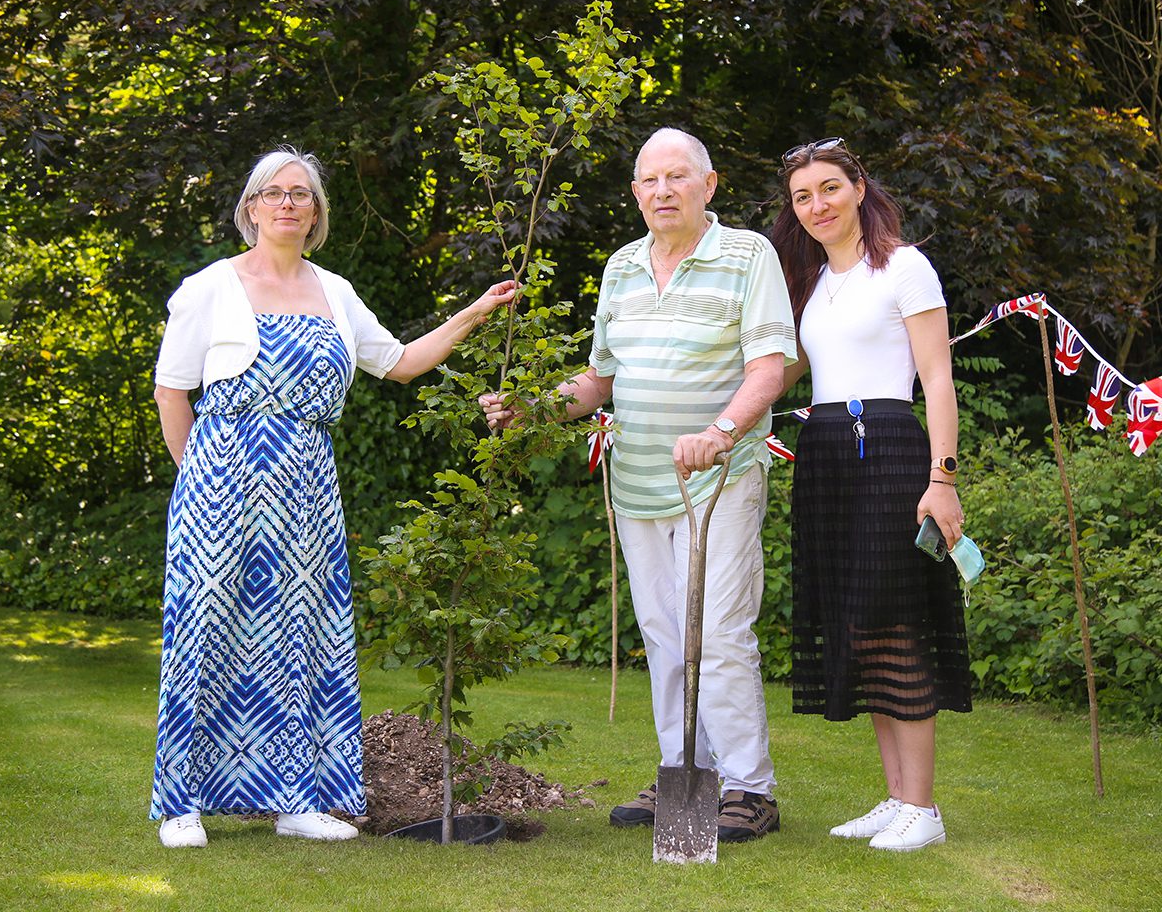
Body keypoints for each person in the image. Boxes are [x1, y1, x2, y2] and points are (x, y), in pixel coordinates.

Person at [150, 146, 516, 847]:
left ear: (316, 212)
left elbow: (401, 363)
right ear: (251, 208)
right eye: (274, 192)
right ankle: (182, 805)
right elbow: (173, 390)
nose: (288, 203)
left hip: (307, 486)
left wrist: (472, 313)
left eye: (302, 194)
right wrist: (197, 479)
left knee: (302, 637)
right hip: (220, 480)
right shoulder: (210, 287)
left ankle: (297, 800)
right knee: (205, 633)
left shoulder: (335, 291)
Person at [481, 127, 796, 843]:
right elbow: (601, 379)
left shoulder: (748, 255)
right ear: (635, 193)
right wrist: (530, 409)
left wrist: (720, 432)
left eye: (677, 177)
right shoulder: (622, 266)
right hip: (639, 483)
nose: (663, 191)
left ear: (708, 186)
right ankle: (684, 772)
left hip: (719, 478)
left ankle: (750, 789)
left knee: (717, 632)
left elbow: (771, 364)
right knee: (663, 634)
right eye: (650, 181)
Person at [771, 137, 972, 851]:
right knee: (858, 625)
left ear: (858, 186)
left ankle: (924, 808)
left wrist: (941, 479)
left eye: (829, 188)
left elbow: (938, 379)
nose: (816, 204)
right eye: (802, 196)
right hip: (824, 454)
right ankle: (896, 799)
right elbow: (786, 373)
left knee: (893, 621)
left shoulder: (905, 266)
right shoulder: (812, 282)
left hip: (886, 447)